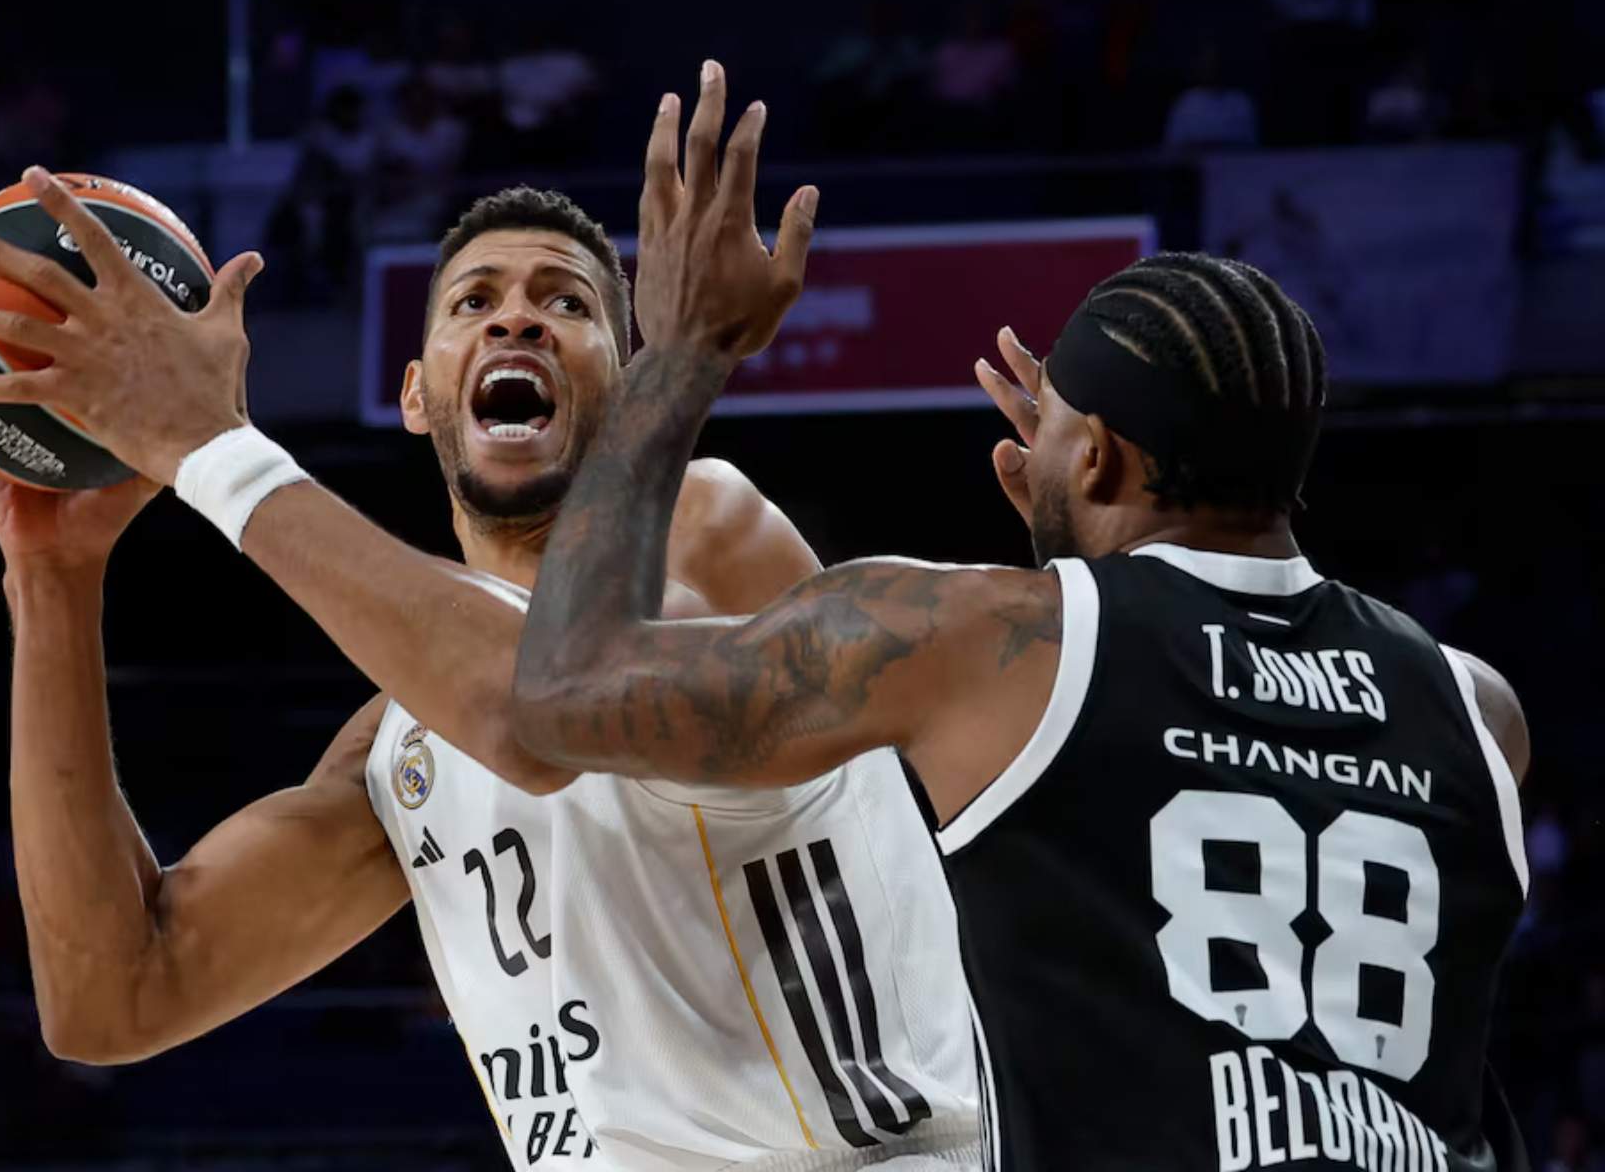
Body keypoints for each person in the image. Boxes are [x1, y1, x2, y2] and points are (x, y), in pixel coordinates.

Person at [0, 69, 981, 1169]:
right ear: (419, 392)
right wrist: (51, 581)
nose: (516, 314)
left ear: (625, 398)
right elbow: (112, 998)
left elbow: (539, 706)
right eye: (473, 303)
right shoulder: (402, 743)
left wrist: (209, 447)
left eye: (567, 304)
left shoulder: (711, 530)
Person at [506, 75, 1534, 1172]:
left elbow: (563, 692)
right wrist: (1083, 543)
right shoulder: (1473, 706)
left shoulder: (979, 638)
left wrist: (680, 354)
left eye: (1047, 424)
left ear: (1093, 457)